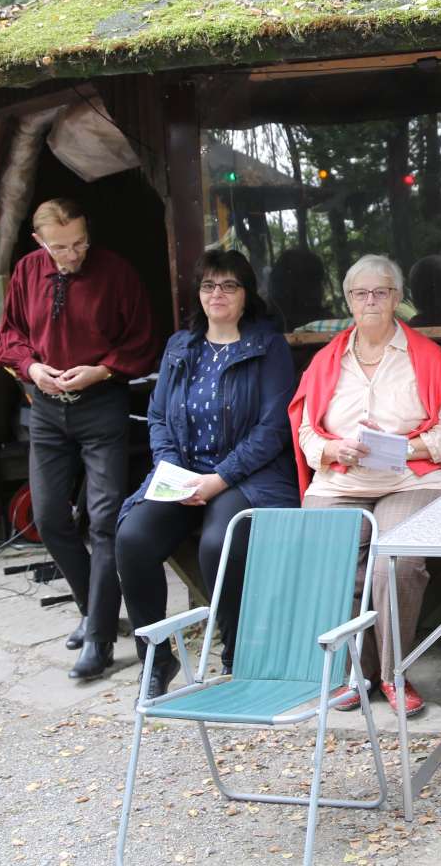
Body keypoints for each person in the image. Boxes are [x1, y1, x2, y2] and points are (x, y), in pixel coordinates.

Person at [288, 254, 441, 717]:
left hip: (413, 477)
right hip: (342, 481)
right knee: (329, 559)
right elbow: (307, 430)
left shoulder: (424, 356)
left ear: (396, 299)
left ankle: (394, 673)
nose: (370, 301)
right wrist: (332, 451)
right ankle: (355, 673)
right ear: (348, 300)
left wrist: (402, 447)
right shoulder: (327, 359)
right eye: (360, 293)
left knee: (397, 562)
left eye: (381, 292)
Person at [115, 250, 299, 698]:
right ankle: (156, 659)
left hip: (247, 475)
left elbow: (274, 427)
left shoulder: (268, 346)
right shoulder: (180, 346)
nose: (217, 294)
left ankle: (238, 654)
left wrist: (219, 479)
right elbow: (157, 416)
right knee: (132, 538)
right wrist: (169, 469)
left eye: (229, 286)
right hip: (184, 473)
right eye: (208, 286)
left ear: (246, 294)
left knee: (220, 542)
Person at [0, 198, 159, 681]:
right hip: (45, 409)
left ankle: (100, 638)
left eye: (80, 242)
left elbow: (143, 340)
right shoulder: (26, 272)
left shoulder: (117, 273)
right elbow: (9, 337)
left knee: (105, 519)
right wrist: (31, 368)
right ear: (40, 242)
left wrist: (101, 370)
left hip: (102, 403)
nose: (73, 254)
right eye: (61, 247)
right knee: (47, 517)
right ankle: (94, 609)